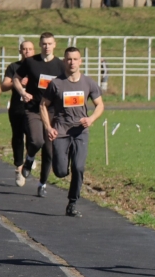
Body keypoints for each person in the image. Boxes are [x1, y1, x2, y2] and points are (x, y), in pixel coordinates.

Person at [39, 47, 103, 218]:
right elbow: (43, 105)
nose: (72, 62)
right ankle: (62, 167)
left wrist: (91, 119)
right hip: (61, 131)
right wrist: (48, 127)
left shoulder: (88, 83)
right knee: (60, 171)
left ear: (80, 61)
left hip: (80, 131)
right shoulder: (56, 83)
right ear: (64, 61)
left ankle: (72, 203)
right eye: (69, 59)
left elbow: (100, 105)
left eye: (75, 59)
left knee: (78, 167)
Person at [13, 32, 66, 198]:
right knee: (37, 140)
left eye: (49, 43)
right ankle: (29, 159)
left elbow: (67, 85)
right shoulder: (31, 62)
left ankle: (42, 184)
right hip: (33, 109)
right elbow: (16, 78)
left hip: (52, 112)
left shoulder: (60, 65)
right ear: (40, 45)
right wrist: (22, 92)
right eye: (44, 44)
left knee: (49, 151)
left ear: (54, 45)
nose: (47, 46)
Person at [0, 40, 35, 186]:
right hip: (17, 107)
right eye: (24, 49)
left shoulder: (37, 66)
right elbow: (4, 85)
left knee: (34, 136)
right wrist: (18, 82)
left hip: (33, 107)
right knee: (18, 137)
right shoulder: (14, 67)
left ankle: (30, 157)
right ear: (20, 51)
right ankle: (19, 168)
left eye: (30, 49)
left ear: (34, 51)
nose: (27, 51)